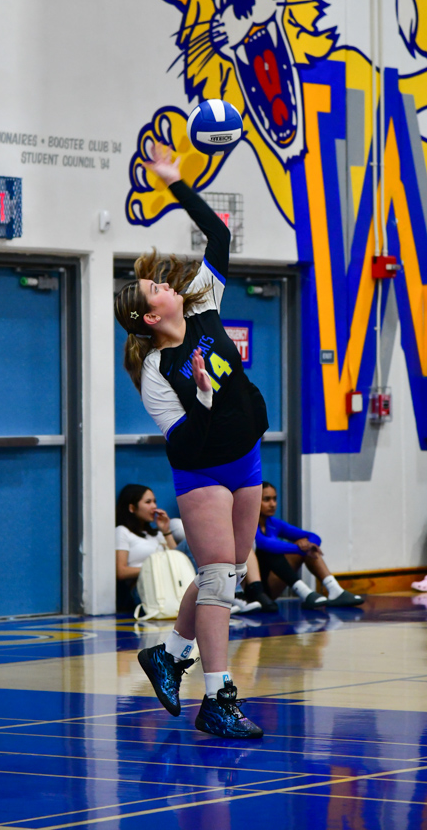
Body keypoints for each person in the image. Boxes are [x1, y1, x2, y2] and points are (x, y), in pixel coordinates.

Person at [114, 140, 268, 739]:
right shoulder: (157, 371)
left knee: (222, 576)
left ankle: (170, 654)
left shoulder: (205, 303)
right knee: (219, 579)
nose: (165, 284)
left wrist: (175, 182)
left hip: (247, 455)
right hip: (203, 471)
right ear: (152, 317)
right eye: (155, 289)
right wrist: (201, 393)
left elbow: (220, 235)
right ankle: (219, 698)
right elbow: (187, 442)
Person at [251, 481, 364, 608]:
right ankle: (305, 593)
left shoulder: (274, 523)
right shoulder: (248, 523)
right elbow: (264, 544)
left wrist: (310, 545)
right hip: (256, 590)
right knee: (271, 552)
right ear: (255, 501)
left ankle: (335, 590)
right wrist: (300, 548)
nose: (272, 504)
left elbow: (313, 536)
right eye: (266, 499)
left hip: (271, 586)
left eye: (274, 499)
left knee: (307, 547)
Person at [115, 484, 177, 612]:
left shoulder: (157, 534)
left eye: (154, 501)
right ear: (132, 508)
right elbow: (121, 572)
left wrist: (166, 531)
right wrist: (155, 568)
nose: (154, 506)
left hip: (170, 585)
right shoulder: (123, 531)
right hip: (144, 588)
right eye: (148, 502)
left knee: (187, 547)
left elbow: (178, 561)